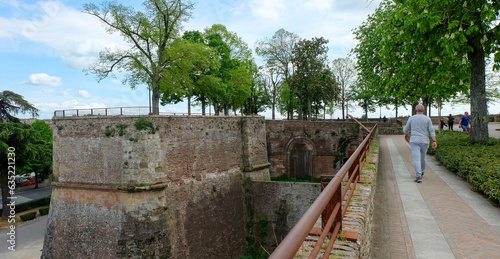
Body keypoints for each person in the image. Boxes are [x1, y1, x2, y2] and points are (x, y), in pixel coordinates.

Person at [403, 104, 437, 183]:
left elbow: (405, 130)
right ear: (423, 110)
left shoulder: (411, 118)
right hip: (425, 140)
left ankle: (418, 176)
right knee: (423, 157)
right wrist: (434, 141)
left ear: (415, 110)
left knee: (416, 158)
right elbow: (431, 130)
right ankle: (422, 172)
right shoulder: (427, 119)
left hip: (414, 140)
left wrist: (408, 135)